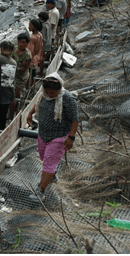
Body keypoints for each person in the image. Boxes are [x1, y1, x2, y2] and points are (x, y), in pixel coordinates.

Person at [26, 73, 79, 201]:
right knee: (43, 156)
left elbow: (74, 119)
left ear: (59, 89)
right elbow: (37, 104)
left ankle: (41, 191)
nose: (50, 94)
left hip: (58, 136)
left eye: (53, 92)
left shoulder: (67, 98)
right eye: (48, 91)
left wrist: (71, 137)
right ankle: (51, 175)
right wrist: (30, 114)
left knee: (49, 162)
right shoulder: (44, 95)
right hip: (43, 133)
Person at [9, 33, 32, 119]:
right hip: (13, 73)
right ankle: (14, 104)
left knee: (15, 92)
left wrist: (13, 68)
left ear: (27, 44)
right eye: (19, 42)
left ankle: (16, 106)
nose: (21, 44)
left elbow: (23, 68)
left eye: (23, 42)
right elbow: (10, 58)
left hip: (21, 76)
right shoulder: (14, 50)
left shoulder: (27, 55)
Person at [26, 19, 44, 89]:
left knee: (28, 76)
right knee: (33, 75)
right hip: (37, 57)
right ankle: (32, 87)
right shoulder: (39, 34)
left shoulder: (32, 38)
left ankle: (28, 89)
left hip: (31, 60)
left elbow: (30, 51)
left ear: (35, 27)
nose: (28, 27)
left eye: (30, 25)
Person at [37, 11, 51, 77]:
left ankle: (41, 73)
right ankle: (41, 72)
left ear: (42, 18)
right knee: (43, 58)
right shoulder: (48, 23)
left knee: (41, 59)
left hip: (43, 45)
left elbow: (43, 38)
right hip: (48, 43)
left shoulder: (43, 26)